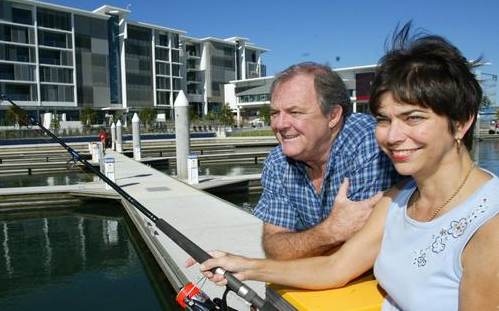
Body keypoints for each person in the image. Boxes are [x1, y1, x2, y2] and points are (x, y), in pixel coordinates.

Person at [192, 25, 499, 310]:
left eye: (413, 118)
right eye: (384, 119)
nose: (392, 136)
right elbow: (335, 267)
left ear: (460, 122)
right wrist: (243, 266)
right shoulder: (400, 197)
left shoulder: (490, 227)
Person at [255, 62, 402, 260]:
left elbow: (359, 253)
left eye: (295, 112)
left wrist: (301, 243)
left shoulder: (368, 143)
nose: (279, 124)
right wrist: (331, 231)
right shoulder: (277, 162)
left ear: (333, 115)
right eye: (274, 113)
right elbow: (274, 248)